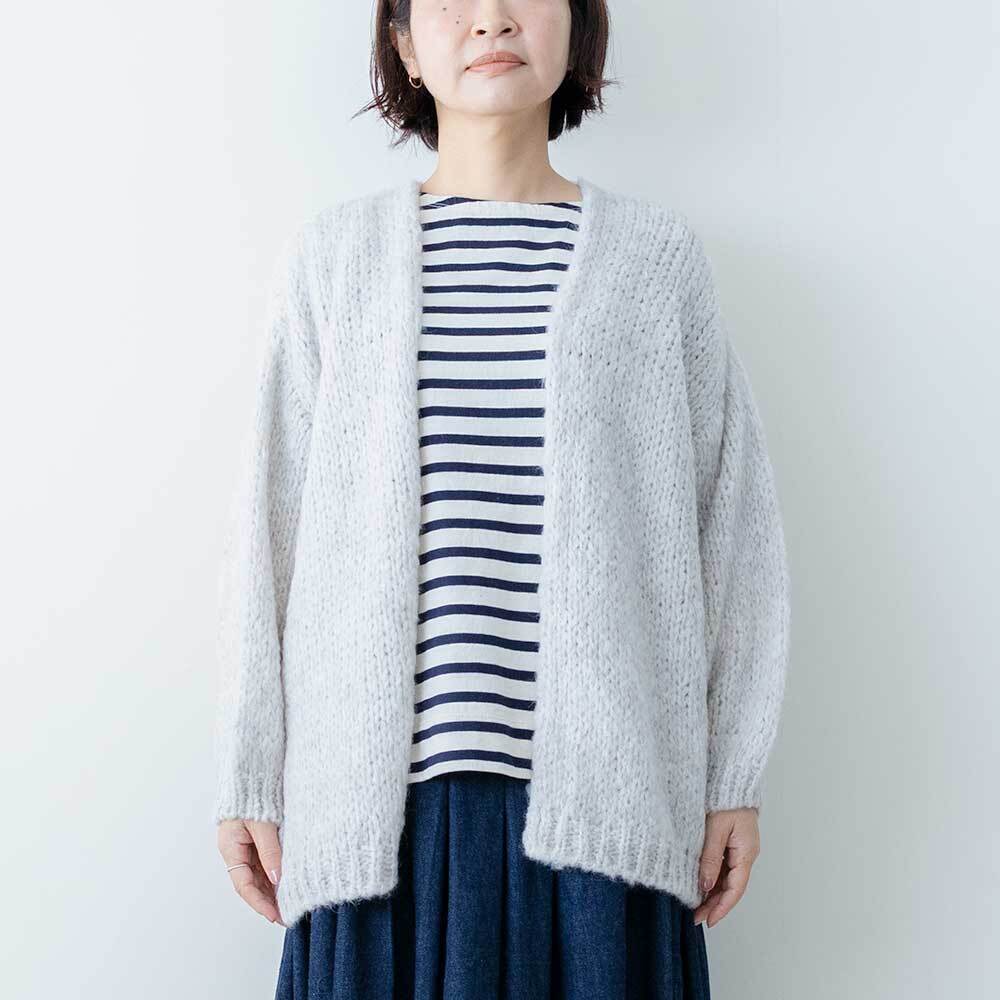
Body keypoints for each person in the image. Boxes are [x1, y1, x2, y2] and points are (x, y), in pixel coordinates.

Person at [212, 2, 791, 997]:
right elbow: (271, 532)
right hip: (376, 817)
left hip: (608, 812)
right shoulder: (335, 261)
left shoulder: (654, 263)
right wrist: (252, 773)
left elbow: (731, 528)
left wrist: (732, 772)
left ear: (577, 26)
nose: (490, 19)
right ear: (403, 43)